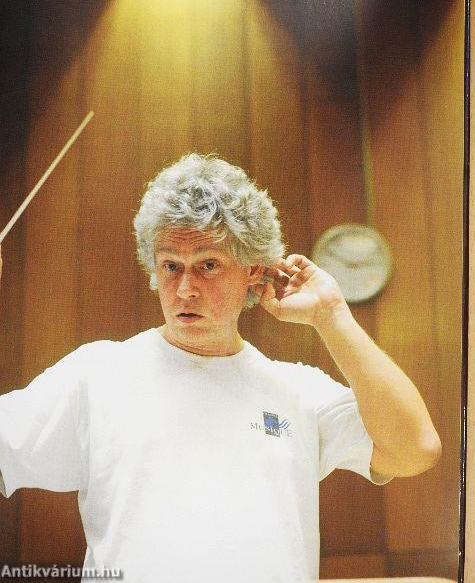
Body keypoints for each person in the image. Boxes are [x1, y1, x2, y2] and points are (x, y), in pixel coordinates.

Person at [0, 153, 441, 583]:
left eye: (208, 265)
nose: (185, 289)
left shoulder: (297, 390)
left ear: (253, 270)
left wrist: (332, 315)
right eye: (171, 266)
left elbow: (415, 449)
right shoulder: (98, 374)